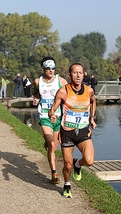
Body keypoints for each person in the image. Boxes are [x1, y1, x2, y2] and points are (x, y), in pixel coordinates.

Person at [48, 63, 97, 198]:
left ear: (83, 74)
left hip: (83, 131)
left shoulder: (89, 91)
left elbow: (93, 101)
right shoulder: (63, 92)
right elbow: (52, 109)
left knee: (89, 161)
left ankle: (78, 163)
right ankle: (67, 184)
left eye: (80, 73)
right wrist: (52, 115)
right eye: (75, 73)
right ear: (69, 75)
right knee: (67, 165)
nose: (78, 75)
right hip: (67, 132)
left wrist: (92, 117)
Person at [33, 56, 68, 184]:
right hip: (44, 116)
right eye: (48, 68)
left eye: (53, 68)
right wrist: (36, 98)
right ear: (44, 69)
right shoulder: (38, 81)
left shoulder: (61, 81)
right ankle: (54, 173)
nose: (51, 71)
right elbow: (36, 92)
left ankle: (47, 143)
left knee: (54, 147)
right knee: (52, 144)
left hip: (57, 117)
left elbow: (68, 98)